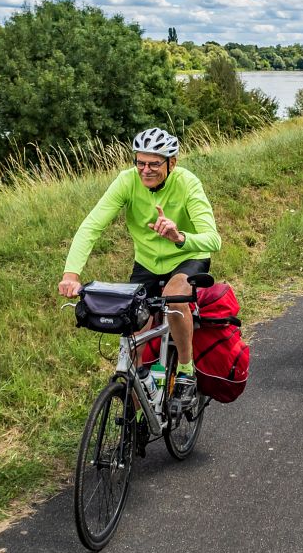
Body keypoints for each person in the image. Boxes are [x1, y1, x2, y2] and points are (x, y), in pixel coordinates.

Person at [59, 127, 221, 408]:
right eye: (140, 162)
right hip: (147, 263)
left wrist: (179, 236)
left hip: (189, 255)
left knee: (173, 297)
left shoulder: (187, 183)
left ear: (172, 163)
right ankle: (135, 422)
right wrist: (71, 274)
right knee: (133, 333)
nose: (145, 170)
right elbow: (92, 226)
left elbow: (213, 238)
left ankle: (185, 371)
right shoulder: (127, 181)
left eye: (154, 163)